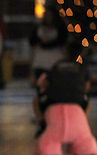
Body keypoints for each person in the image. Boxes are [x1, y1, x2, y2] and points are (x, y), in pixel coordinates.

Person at [29, 5, 68, 136]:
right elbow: (32, 42)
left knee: (55, 92)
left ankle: (54, 119)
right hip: (40, 63)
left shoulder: (60, 28)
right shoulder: (38, 28)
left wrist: (46, 44)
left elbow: (61, 41)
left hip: (55, 64)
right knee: (41, 93)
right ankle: (42, 119)